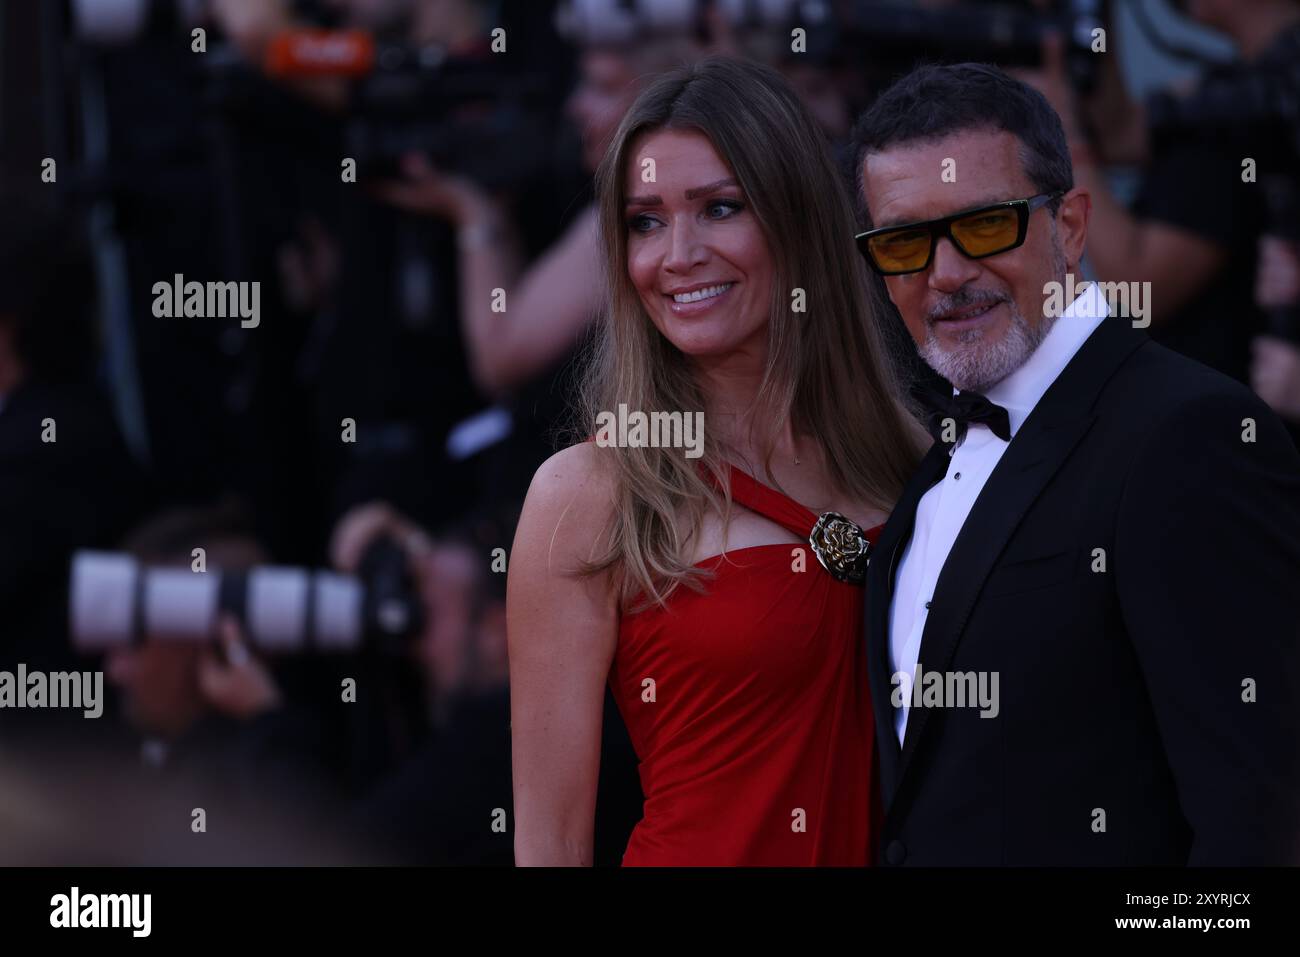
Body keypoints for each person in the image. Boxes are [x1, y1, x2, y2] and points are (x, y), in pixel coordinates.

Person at [852, 62, 1300, 865]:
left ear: (1070, 226)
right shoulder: (935, 458)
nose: (945, 273)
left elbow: (1262, 826)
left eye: (985, 225)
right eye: (904, 241)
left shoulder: (1188, 435)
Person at [508, 56, 925, 866]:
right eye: (646, 221)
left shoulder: (915, 460)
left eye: (720, 208)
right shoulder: (587, 494)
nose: (678, 254)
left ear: (799, 219)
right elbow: (551, 843)